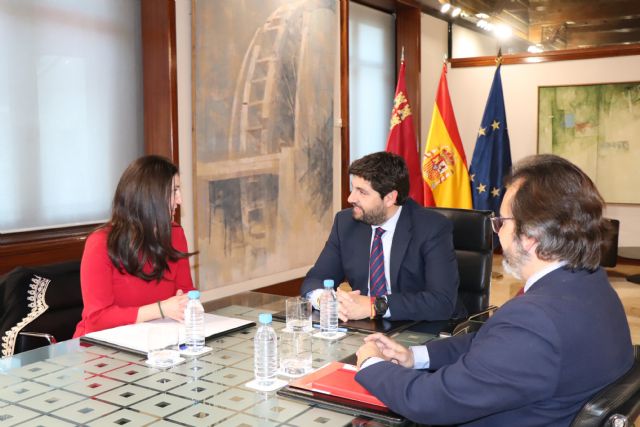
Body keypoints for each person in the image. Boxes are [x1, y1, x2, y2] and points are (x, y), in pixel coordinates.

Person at [354, 154, 634, 426]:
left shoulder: (535, 319)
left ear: (530, 237)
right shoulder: (590, 284)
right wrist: (414, 356)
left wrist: (371, 365)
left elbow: (431, 402)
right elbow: (489, 343)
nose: (497, 233)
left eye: (501, 223)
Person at [301, 151, 465, 322]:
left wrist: (375, 305)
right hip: (366, 328)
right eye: (352, 188)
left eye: (362, 192)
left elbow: (441, 302)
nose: (351, 198)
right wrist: (324, 299)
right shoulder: (346, 223)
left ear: (389, 198)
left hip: (420, 327)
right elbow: (315, 279)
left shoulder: (431, 228)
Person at [74, 155, 196, 337]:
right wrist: (161, 309)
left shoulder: (175, 234)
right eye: (174, 191)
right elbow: (97, 319)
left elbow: (187, 292)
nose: (180, 200)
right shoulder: (100, 243)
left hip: (155, 340)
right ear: (149, 197)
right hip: (102, 348)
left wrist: (187, 303)